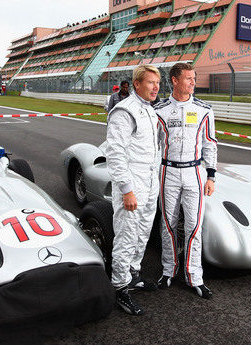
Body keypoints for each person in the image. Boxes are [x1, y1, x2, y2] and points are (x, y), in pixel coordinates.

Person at [154, 63, 217, 299]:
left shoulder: (204, 110)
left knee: (194, 226)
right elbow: (154, 146)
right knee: (168, 224)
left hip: (194, 173)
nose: (193, 82)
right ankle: (168, 271)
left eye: (194, 78)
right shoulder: (158, 110)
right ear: (174, 80)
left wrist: (211, 175)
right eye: (188, 78)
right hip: (167, 172)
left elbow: (210, 144)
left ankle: (194, 277)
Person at [105, 65, 161, 315]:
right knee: (127, 236)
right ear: (136, 84)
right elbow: (115, 153)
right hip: (132, 183)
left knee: (143, 233)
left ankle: (133, 273)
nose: (155, 87)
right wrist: (127, 189)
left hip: (150, 183)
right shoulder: (124, 111)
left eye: (158, 83)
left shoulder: (150, 110)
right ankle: (119, 287)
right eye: (150, 82)